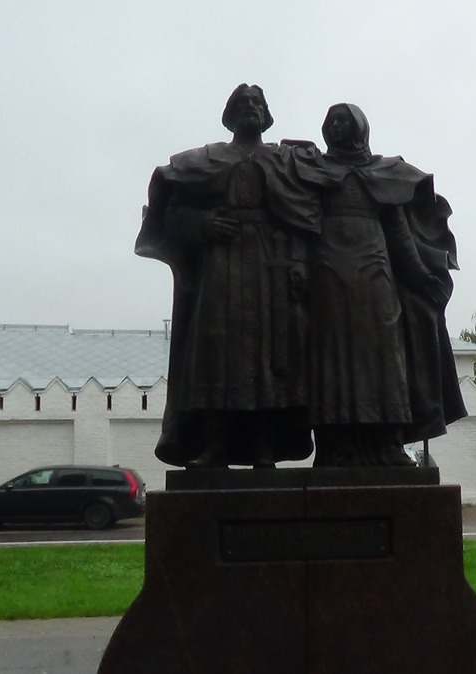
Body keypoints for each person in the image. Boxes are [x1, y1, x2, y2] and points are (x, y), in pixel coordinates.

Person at [136, 84, 321, 468]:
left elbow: (305, 217)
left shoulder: (284, 162)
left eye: (257, 103)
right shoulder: (205, 160)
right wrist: (202, 223)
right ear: (230, 114)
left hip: (271, 268)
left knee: (270, 358)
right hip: (221, 265)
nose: (251, 108)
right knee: (215, 352)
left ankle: (265, 449)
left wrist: (300, 262)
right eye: (243, 103)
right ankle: (214, 445)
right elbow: (171, 213)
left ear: (266, 114)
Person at [291, 103, 465, 466]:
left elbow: (399, 234)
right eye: (331, 120)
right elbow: (300, 222)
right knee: (332, 357)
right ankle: (334, 447)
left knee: (385, 353)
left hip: (375, 272)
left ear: (360, 127)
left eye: (343, 120)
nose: (336, 126)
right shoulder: (315, 170)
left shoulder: (385, 174)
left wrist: (421, 276)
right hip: (329, 273)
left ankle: (389, 443)